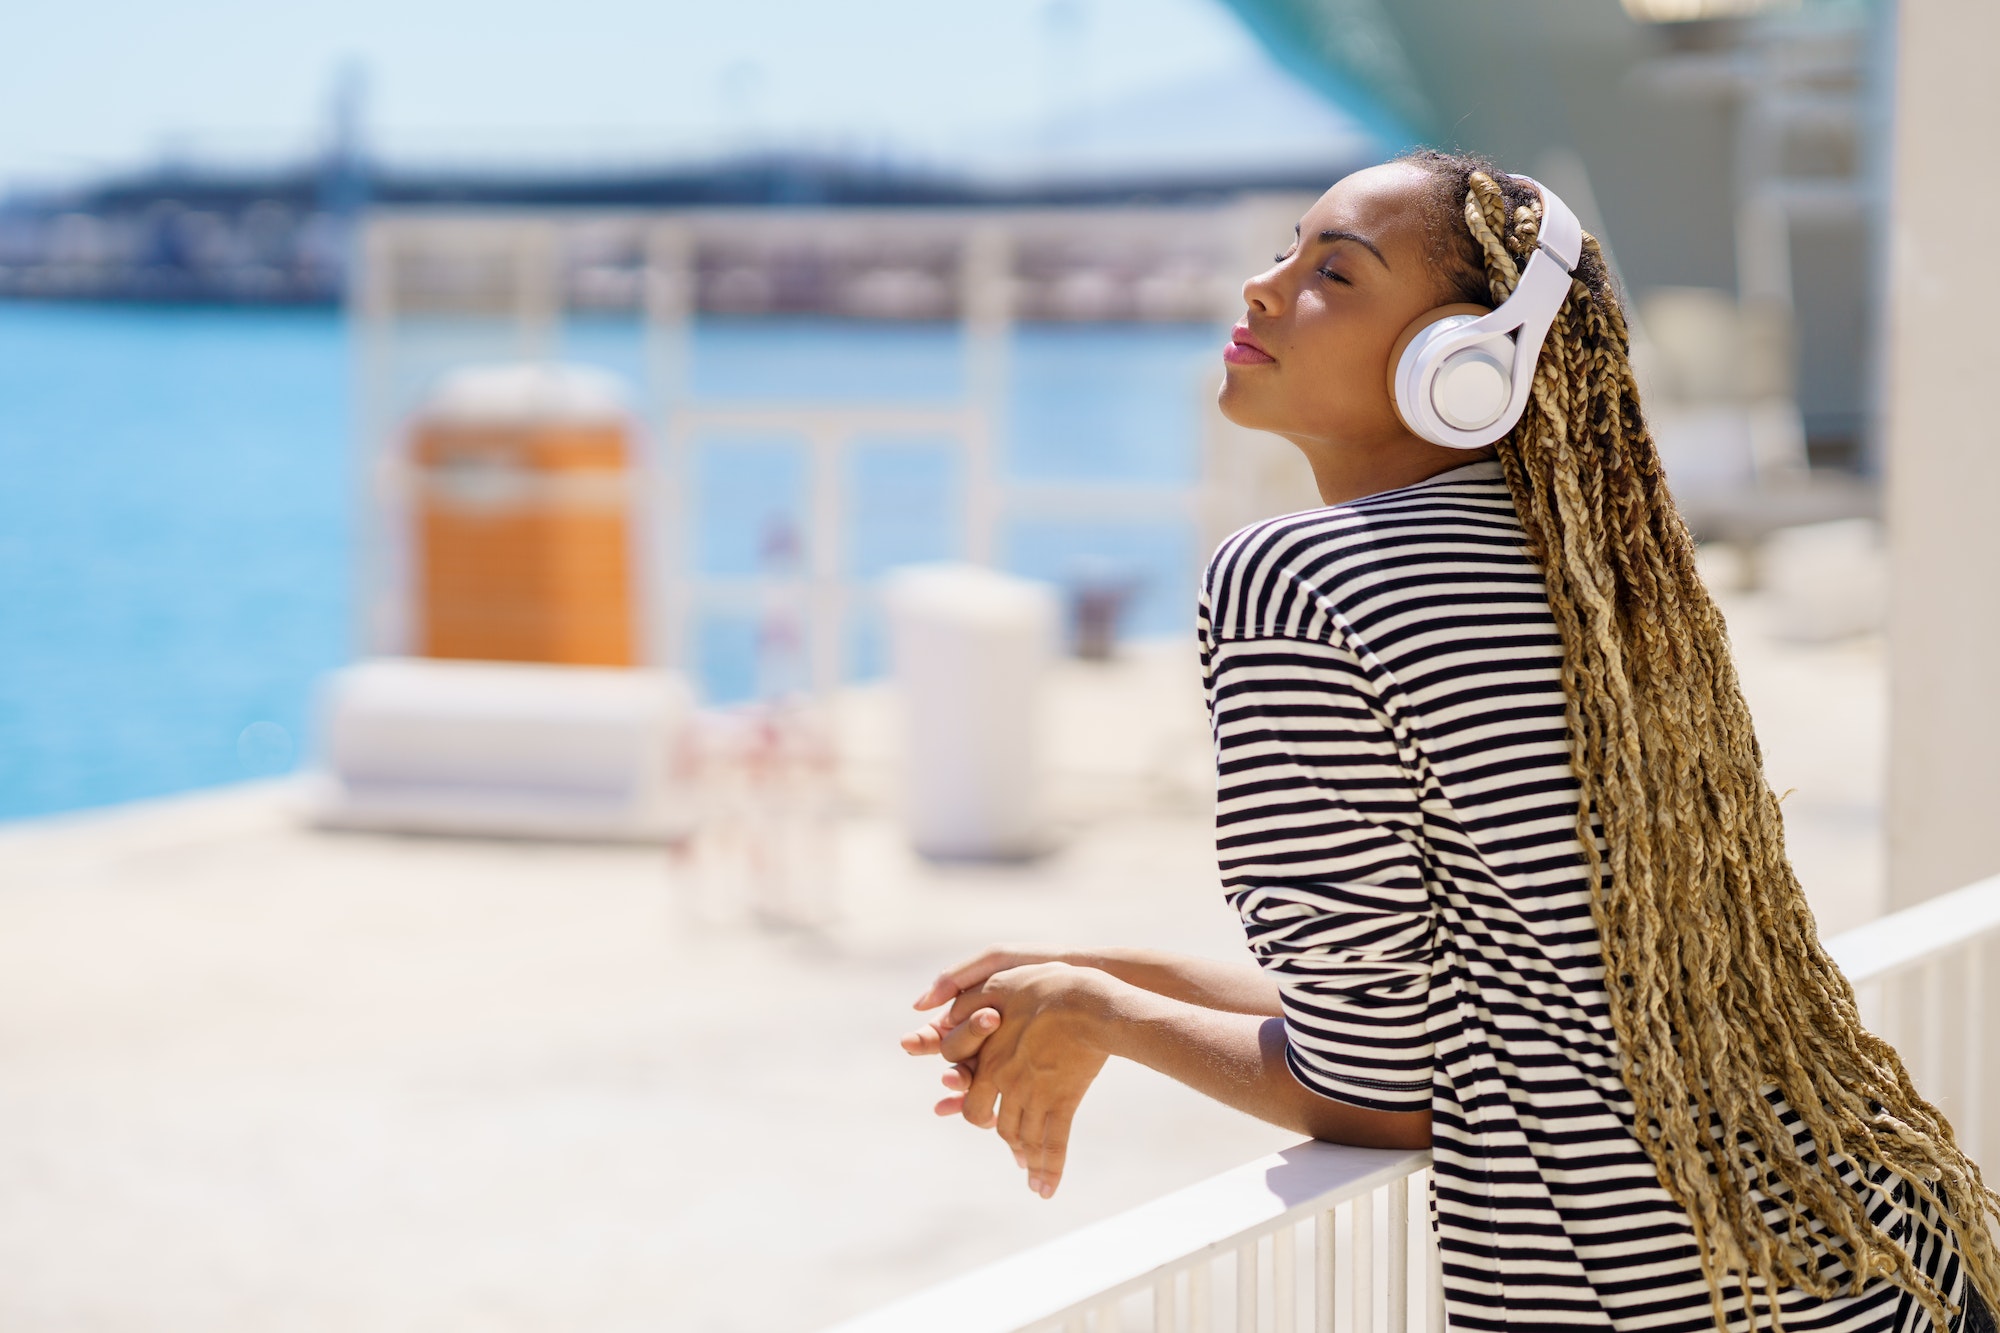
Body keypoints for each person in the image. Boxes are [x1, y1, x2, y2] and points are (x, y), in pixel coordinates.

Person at [900, 150, 2000, 1332]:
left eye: (1334, 271)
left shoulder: (1295, 578)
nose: (1263, 287)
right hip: (1880, 1266)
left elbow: (1381, 1091)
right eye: (1284, 248)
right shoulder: (1596, 577)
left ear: (1464, 360)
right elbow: (1491, 995)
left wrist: (1106, 1019)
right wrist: (1108, 975)